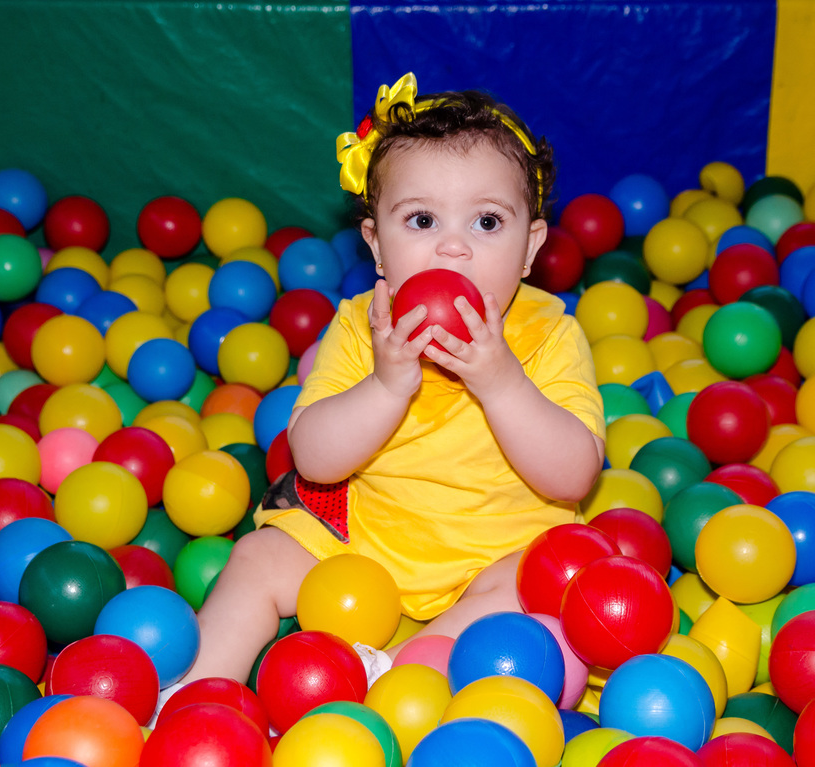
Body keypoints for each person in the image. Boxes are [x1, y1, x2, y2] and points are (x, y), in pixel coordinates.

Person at [176, 72, 605, 696]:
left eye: (486, 223)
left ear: (529, 247)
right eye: (422, 220)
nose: (452, 249)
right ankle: (188, 696)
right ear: (376, 246)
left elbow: (573, 476)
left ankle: (402, 675)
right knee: (257, 558)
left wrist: (501, 382)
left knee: (547, 583)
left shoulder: (550, 336)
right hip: (369, 545)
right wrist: (385, 385)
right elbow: (315, 459)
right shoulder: (360, 327)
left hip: (494, 557)